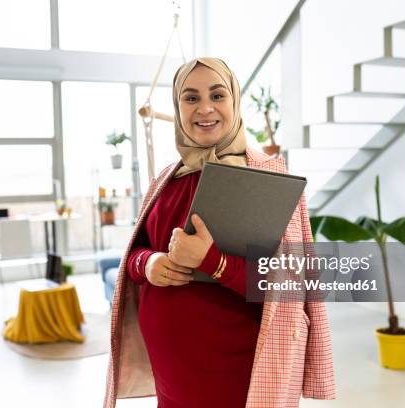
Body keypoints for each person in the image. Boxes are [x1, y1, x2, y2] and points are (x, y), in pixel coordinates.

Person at [104, 57, 335, 408]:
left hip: (236, 369)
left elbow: (288, 285)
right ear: (177, 107)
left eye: (217, 95)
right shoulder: (166, 180)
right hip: (171, 369)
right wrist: (148, 264)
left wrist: (212, 261)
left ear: (235, 101)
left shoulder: (268, 179)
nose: (205, 108)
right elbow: (138, 250)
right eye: (191, 97)